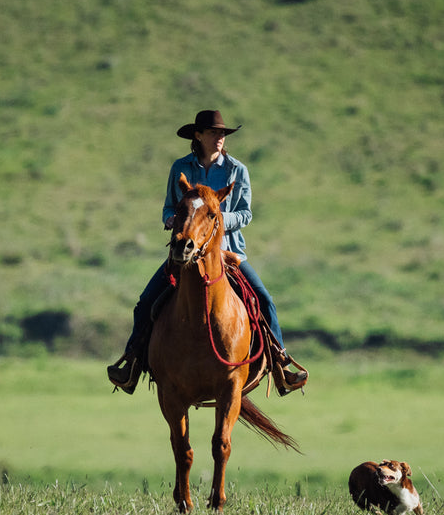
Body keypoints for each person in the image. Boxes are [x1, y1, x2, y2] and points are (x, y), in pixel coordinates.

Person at [107, 109, 308, 395]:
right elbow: (169, 206)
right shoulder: (181, 167)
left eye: (223, 134)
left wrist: (216, 220)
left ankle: (281, 365)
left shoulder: (237, 170)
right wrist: (171, 219)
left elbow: (246, 214)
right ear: (198, 136)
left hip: (228, 254)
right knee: (146, 303)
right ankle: (131, 363)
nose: (220, 138)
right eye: (214, 133)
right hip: (185, 254)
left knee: (264, 300)